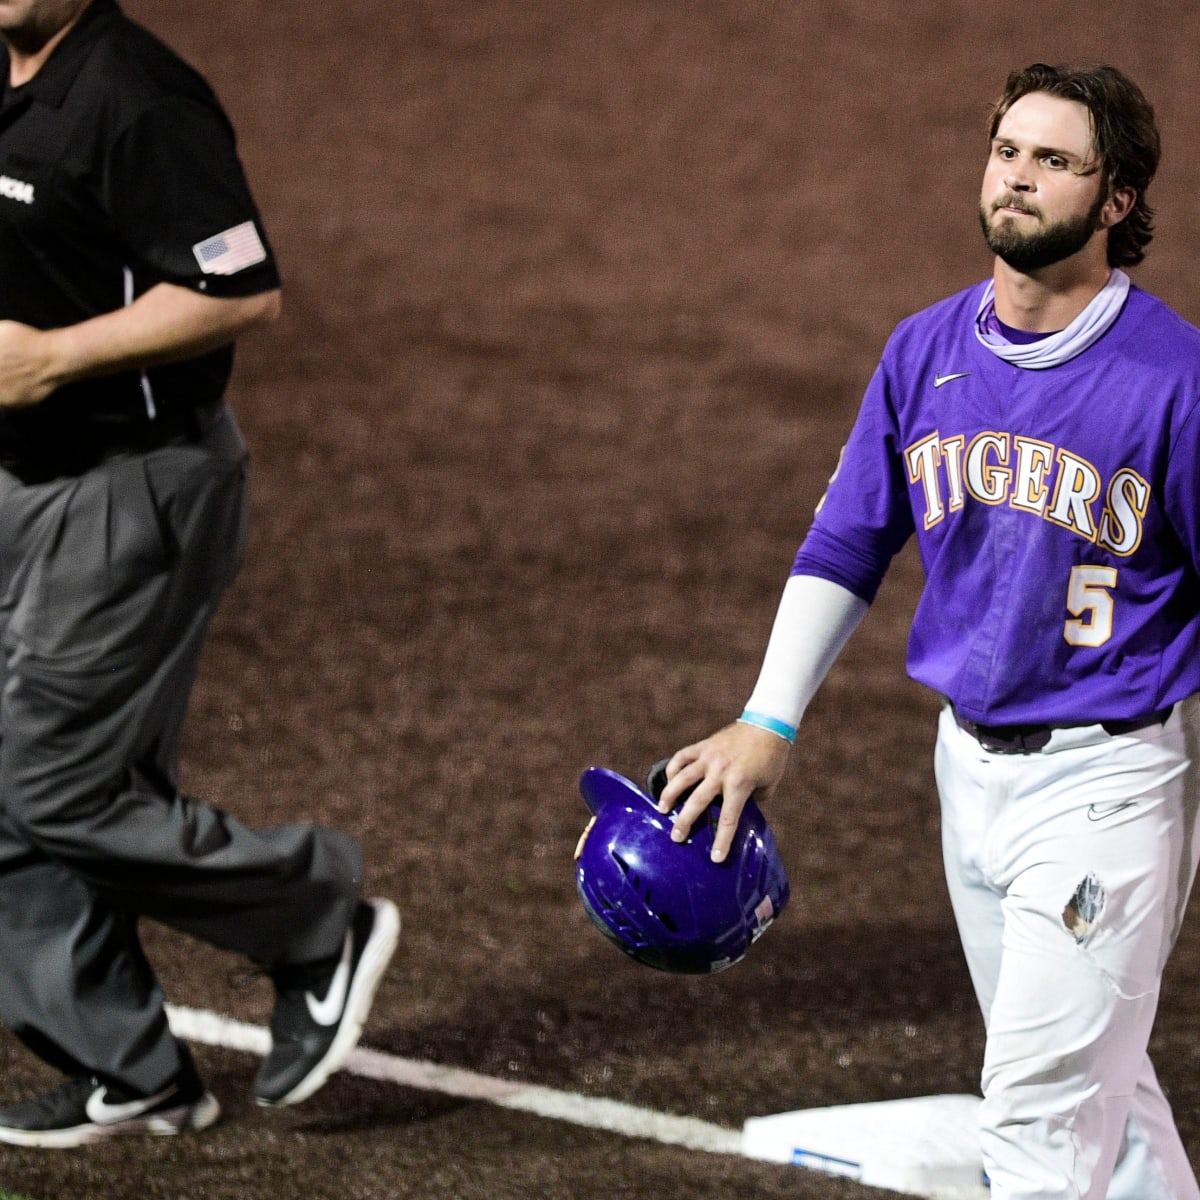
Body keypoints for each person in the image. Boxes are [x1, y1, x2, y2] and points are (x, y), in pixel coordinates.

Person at [659, 62, 1200, 1199]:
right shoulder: (924, 351)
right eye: (1009, 150)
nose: (1018, 177)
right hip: (969, 775)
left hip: (1106, 791)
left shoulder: (1174, 383)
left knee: (1040, 1136)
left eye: (1056, 161)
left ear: (1115, 202)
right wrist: (769, 718)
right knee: (1109, 1105)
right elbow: (847, 543)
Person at [0, 0, 399, 1147]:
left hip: (133, 488)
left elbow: (240, 286)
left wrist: (53, 358)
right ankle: (123, 1061)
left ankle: (316, 919)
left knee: (59, 787)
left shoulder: (135, 94)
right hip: (25, 483)